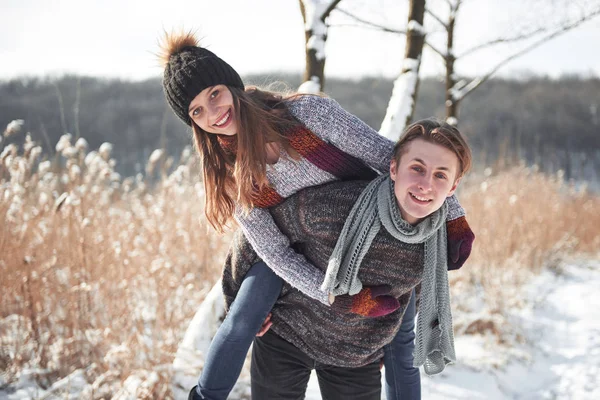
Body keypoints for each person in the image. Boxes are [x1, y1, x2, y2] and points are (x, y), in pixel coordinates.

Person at [158, 31, 474, 400]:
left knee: (398, 336)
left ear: (232, 85)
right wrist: (336, 297)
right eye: (197, 110)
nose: (213, 112)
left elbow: (390, 157)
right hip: (295, 249)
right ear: (193, 122)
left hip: (371, 234)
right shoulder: (233, 178)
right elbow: (275, 253)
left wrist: (454, 216)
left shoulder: (308, 115)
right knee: (245, 314)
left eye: (215, 94)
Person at [222, 119, 472, 399]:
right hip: (288, 336)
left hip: (356, 356)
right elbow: (261, 240)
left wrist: (381, 340)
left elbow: (408, 296)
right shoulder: (337, 205)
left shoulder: (437, 243)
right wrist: (238, 303)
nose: (426, 184)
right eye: (417, 168)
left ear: (453, 187)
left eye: (440, 175)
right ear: (393, 168)